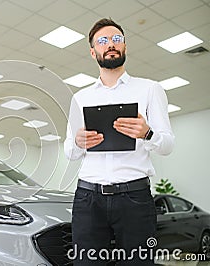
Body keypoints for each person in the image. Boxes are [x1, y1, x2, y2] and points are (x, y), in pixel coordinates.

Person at [64, 18, 175, 265]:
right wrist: (78, 143)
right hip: (88, 198)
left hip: (134, 197)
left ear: (125, 46)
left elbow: (167, 145)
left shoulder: (150, 89)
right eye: (102, 41)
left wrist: (148, 134)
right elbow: (69, 152)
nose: (111, 44)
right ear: (93, 52)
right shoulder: (80, 98)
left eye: (117, 39)